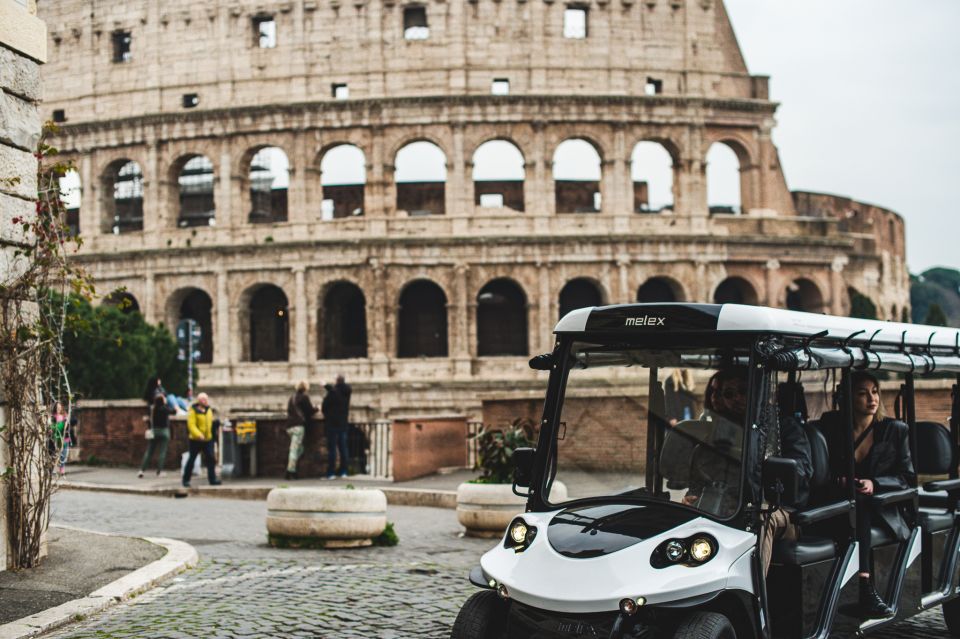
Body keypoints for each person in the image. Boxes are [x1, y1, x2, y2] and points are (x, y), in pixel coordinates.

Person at [821, 371, 915, 618]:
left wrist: (875, 483)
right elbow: (822, 468)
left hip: (882, 506)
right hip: (841, 500)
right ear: (847, 398)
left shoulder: (895, 430)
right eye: (862, 393)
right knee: (852, 503)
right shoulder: (831, 425)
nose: (871, 399)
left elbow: (907, 478)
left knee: (861, 501)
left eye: (874, 392)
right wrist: (839, 480)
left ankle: (865, 586)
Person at [181, 392, 221, 488]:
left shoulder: (208, 410)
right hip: (196, 440)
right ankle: (186, 479)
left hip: (208, 439)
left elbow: (210, 422)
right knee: (192, 459)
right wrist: (198, 434)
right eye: (204, 399)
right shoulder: (193, 411)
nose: (206, 401)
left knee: (210, 459)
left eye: (206, 399)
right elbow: (191, 425)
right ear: (199, 401)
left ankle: (212, 479)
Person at [285, 380, 319, 480]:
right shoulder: (304, 397)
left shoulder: (292, 397)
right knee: (295, 450)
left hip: (289, 426)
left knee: (298, 449)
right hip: (298, 426)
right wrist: (317, 408)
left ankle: (292, 468)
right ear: (305, 388)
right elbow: (310, 411)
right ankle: (290, 471)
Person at [139, 393, 175, 478]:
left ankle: (141, 470)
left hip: (154, 431)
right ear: (162, 401)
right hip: (164, 431)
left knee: (149, 451)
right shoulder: (165, 408)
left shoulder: (152, 409)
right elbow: (174, 411)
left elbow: (148, 419)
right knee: (162, 452)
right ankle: (159, 472)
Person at [322, 378, 350, 479]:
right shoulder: (347, 393)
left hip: (332, 425)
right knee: (343, 449)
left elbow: (324, 408)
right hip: (342, 424)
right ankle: (344, 471)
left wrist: (327, 386)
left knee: (332, 450)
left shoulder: (332, 394)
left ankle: (331, 473)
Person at [51, 402, 70, 476]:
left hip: (65, 439)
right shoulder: (53, 417)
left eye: (59, 407)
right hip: (56, 438)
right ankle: (53, 470)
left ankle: (62, 469)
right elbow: (53, 427)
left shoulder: (65, 416)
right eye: (57, 407)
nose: (58, 409)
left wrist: (66, 423)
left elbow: (67, 428)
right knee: (55, 455)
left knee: (64, 455)